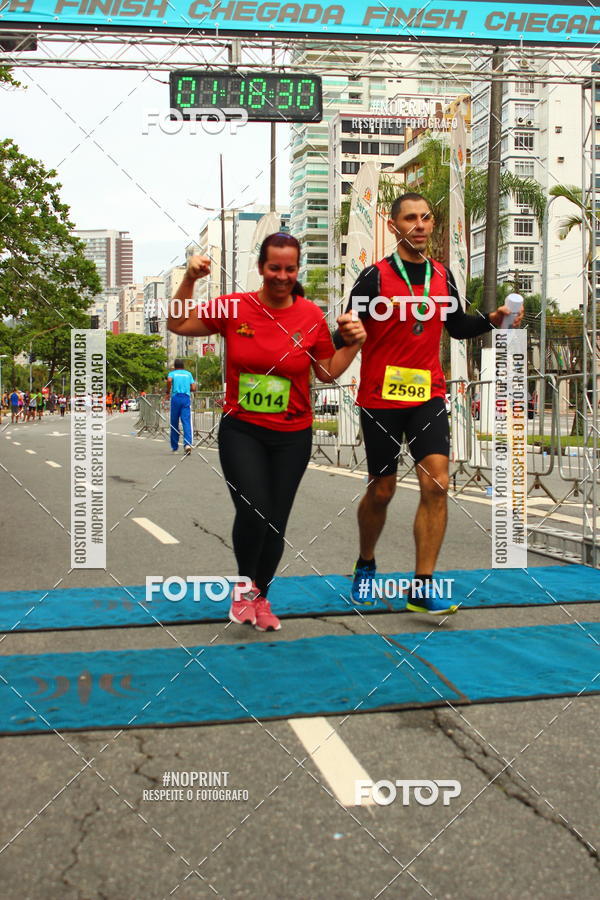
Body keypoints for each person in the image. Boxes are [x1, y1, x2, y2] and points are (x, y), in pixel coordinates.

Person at [336, 192, 524, 615]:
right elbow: (346, 331)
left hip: (428, 395)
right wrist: (339, 333)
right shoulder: (374, 278)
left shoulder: (443, 276)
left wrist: (492, 320)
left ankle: (423, 585)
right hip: (380, 398)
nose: (419, 225)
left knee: (437, 483)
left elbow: (456, 327)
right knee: (382, 490)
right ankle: (366, 563)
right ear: (393, 226)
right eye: (410, 219)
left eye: (425, 218)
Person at [168, 232, 365, 632]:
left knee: (275, 520)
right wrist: (189, 279)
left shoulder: (310, 315)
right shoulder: (235, 307)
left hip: (293, 434)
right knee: (254, 508)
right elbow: (177, 322)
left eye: (290, 269)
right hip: (243, 430)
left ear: (297, 270)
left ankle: (261, 596)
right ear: (261, 268)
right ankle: (243, 589)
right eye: (274, 267)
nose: (282, 275)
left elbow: (326, 371)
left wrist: (356, 344)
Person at [165, 359, 196, 454]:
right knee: (186, 421)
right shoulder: (188, 374)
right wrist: (187, 388)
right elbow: (194, 388)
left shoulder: (172, 373)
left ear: (175, 366)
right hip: (186, 398)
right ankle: (187, 444)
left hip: (176, 398)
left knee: (174, 422)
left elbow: (169, 380)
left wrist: (168, 390)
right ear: (183, 366)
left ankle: (175, 447)